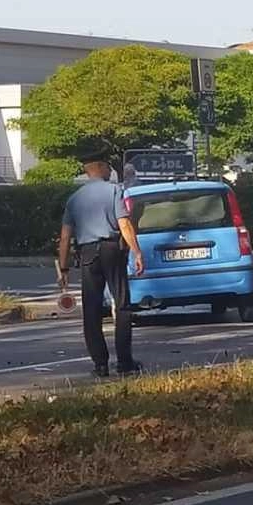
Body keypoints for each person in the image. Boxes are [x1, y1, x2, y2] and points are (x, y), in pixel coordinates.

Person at [58, 154, 145, 378]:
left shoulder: (74, 199)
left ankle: (100, 364)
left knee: (92, 310)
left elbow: (65, 237)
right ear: (101, 168)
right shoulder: (114, 190)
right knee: (122, 304)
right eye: (108, 167)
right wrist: (136, 252)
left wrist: (64, 268)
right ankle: (125, 362)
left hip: (87, 253)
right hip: (111, 249)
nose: (111, 172)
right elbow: (124, 223)